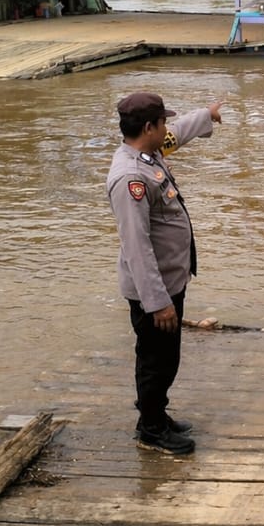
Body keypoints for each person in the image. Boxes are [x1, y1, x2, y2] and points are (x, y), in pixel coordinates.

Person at [106, 92, 223, 456]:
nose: (166, 128)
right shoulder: (130, 178)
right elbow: (137, 247)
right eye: (162, 123)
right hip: (153, 292)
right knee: (155, 361)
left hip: (169, 280)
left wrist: (207, 115)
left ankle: (157, 413)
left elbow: (178, 134)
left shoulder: (148, 153)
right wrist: (157, 303)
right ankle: (151, 429)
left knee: (166, 358)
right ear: (148, 127)